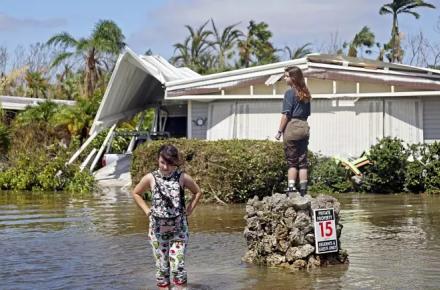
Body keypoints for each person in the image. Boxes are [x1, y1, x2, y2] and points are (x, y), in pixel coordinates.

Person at [132, 144, 203, 289]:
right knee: (162, 269)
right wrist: (147, 211)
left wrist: (189, 209)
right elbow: (136, 193)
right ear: (158, 160)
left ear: (175, 162)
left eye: (169, 163)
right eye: (162, 162)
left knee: (177, 267)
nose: (165, 167)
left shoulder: (182, 177)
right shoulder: (150, 178)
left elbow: (198, 192)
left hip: (179, 230)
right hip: (157, 231)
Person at [275, 65, 312, 197]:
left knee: (292, 161)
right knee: (303, 161)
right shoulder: (306, 93)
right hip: (304, 126)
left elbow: (286, 115)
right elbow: (307, 114)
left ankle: (291, 188)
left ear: (293, 78)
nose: (285, 78)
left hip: (292, 126)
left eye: (286, 76)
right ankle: (303, 189)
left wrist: (279, 131)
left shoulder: (289, 93)